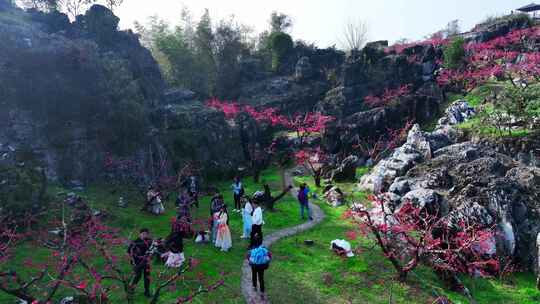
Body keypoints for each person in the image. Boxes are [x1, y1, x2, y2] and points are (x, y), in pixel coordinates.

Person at [128, 228, 153, 297]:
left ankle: (147, 292)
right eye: (143, 234)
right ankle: (131, 290)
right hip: (137, 262)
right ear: (140, 234)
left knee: (147, 277)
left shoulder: (149, 241)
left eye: (146, 234)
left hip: (146, 262)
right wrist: (134, 260)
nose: (144, 235)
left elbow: (152, 249)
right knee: (137, 276)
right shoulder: (135, 242)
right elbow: (129, 251)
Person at [247, 234, 271, 299]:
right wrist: (267, 261)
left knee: (254, 275)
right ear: (261, 241)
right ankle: (262, 291)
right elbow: (269, 255)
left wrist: (250, 261)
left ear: (254, 241)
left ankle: (254, 286)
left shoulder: (252, 249)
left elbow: (248, 256)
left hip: (254, 265)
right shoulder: (264, 248)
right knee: (261, 278)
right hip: (262, 266)